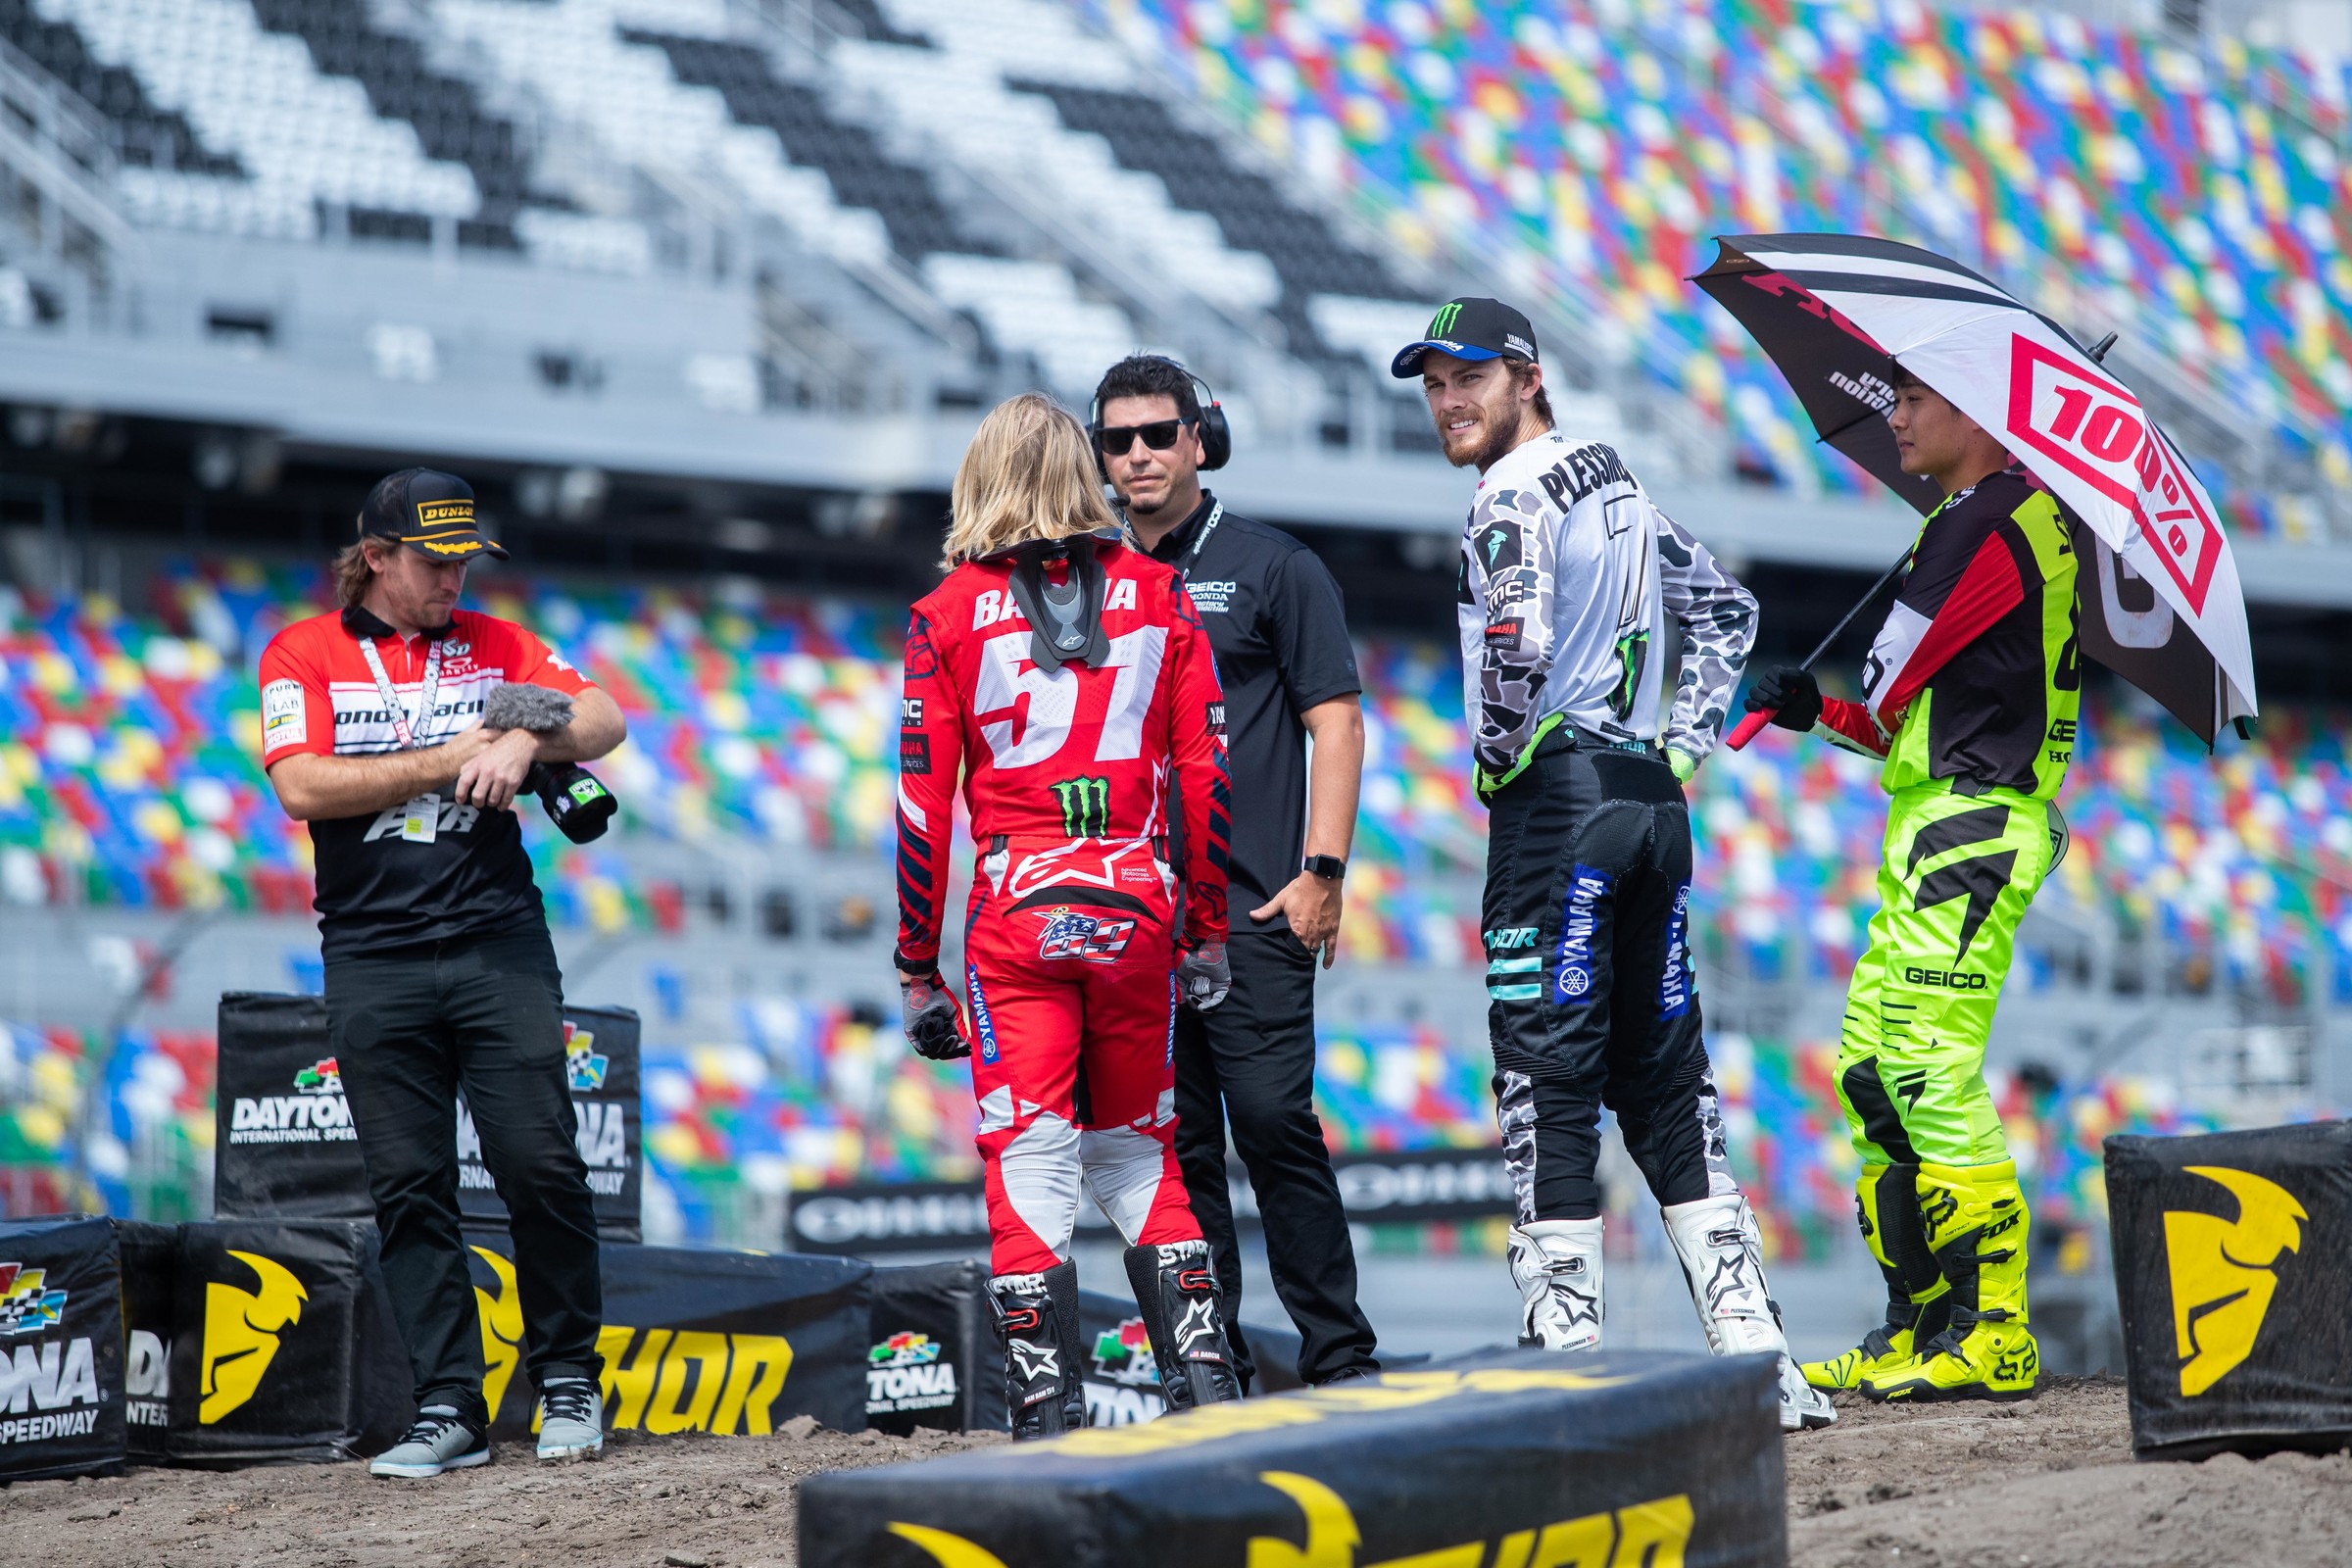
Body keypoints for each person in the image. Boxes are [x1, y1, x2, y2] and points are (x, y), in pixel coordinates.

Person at [1396, 297, 1833, 1432]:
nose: (1448, 402)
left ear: (1526, 377)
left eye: (1468, 379)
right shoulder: (1617, 479)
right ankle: (1762, 1360)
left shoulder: (1508, 492)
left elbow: (1515, 644)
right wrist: (1681, 744)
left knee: (1546, 1076)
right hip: (1650, 801)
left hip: (1558, 804)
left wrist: (1502, 760)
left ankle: (1568, 1375)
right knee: (1665, 1073)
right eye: (1433, 384)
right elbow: (1727, 610)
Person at [892, 392, 1247, 1437]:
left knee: (1031, 1153)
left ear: (982, 477)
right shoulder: (1164, 594)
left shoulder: (943, 613)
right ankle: (1210, 1389)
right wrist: (1205, 927)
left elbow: (923, 806)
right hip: (1137, 908)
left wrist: (919, 965)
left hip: (1017, 914)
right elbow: (1205, 778)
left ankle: (1047, 1415)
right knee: (1141, 1151)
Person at [259, 468, 626, 1477]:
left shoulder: (497, 642)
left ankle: (566, 1379)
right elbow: (299, 787)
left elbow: (604, 720)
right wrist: (439, 757)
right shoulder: (303, 652)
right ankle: (450, 1406)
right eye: (433, 560)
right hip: (372, 954)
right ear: (375, 558)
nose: (453, 576)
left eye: (465, 557)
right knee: (411, 1187)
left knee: (540, 1162)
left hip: (495, 939)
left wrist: (518, 736)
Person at [1746, 366, 2077, 1403]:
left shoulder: (1988, 522)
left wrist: (1850, 675)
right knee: (1872, 1072)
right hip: (1939, 818)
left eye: (1913, 398)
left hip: (1975, 823)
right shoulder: (1987, 518)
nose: (1893, 415)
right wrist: (1818, 712)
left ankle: (1998, 1328)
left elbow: (1890, 677)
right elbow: (1898, 722)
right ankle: (1921, 1324)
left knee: (1927, 1067)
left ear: (1975, 412)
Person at [1091, 354, 1381, 1390]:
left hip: (1256, 906)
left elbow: (1336, 720)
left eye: (1156, 434)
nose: (1138, 456)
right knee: (1173, 1156)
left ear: (1198, 438)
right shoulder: (1087, 579)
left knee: (1271, 1127)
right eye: (1117, 440)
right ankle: (1203, 1371)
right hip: (1131, 918)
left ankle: (1341, 1361)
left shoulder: (1274, 566)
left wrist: (1324, 870)